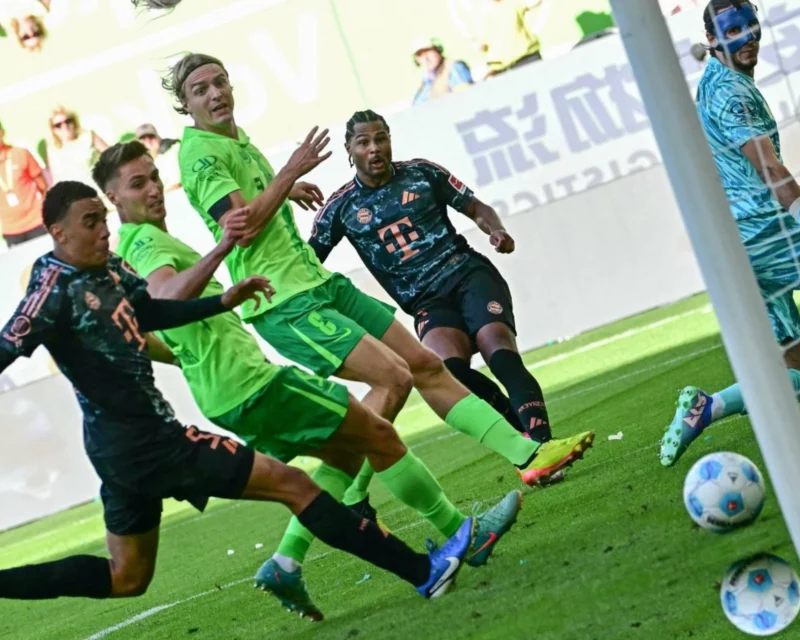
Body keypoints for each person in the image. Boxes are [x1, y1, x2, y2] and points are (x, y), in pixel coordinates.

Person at [0, 181, 478, 640]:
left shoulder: (111, 270)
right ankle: (422, 571)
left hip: (123, 453)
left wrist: (222, 299)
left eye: (102, 220)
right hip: (148, 445)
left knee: (127, 578)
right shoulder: (50, 291)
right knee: (295, 485)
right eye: (90, 223)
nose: (103, 232)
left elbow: (149, 313)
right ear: (57, 233)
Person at [96, 141, 522, 621]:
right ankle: (462, 535)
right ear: (113, 198)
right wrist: (223, 248)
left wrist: (191, 352)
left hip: (225, 392)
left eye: (153, 177)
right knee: (377, 429)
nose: (153, 189)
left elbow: (152, 327)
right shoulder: (147, 244)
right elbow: (169, 296)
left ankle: (286, 562)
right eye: (138, 183)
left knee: (329, 461)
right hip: (252, 384)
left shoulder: (138, 250)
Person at [165, 52, 590, 512]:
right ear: (185, 105)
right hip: (284, 302)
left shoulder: (237, 141)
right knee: (392, 380)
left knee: (424, 366)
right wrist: (289, 172)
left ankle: (530, 453)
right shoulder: (201, 155)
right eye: (201, 90)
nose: (216, 94)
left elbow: (247, 202)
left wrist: (285, 188)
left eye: (220, 83)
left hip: (319, 283)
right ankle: (326, 517)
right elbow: (240, 228)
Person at [660, 0, 800, 466]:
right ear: (713, 41)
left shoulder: (713, 86)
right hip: (766, 234)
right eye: (732, 30)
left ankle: (709, 406)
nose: (746, 37)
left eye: (750, 25)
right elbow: (765, 163)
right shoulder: (732, 94)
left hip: (735, 244)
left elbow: (738, 171)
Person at [311, 109, 577, 454]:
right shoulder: (340, 208)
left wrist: (496, 230)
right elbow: (308, 260)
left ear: (390, 140)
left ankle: (544, 443)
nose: (374, 148)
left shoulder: (422, 173)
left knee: (498, 348)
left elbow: (476, 207)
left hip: (467, 274)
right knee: (447, 372)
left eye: (381, 139)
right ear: (350, 149)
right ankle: (523, 439)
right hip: (427, 302)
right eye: (364, 142)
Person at [0, 115, 49, 247]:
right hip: (11, 229)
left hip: (36, 221)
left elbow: (42, 184)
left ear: (2, 131)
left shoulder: (21, 153)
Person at [43, 106, 108, 187]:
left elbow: (112, 155)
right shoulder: (53, 151)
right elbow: (56, 180)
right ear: (53, 130)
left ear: (74, 121)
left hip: (100, 190)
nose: (64, 126)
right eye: (58, 125)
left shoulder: (88, 137)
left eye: (68, 121)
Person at [477, 0, 543, 78]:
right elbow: (482, 44)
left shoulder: (513, 3)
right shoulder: (484, 12)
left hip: (526, 59)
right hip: (501, 69)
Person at [411, 37, 473, 106]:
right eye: (420, 55)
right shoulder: (425, 83)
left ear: (438, 50)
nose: (426, 58)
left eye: (428, 51)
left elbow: (466, 100)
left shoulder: (454, 68)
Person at [135, 123, 181, 191]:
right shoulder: (150, 160)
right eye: (144, 139)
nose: (148, 142)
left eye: (151, 137)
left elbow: (177, 183)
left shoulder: (174, 150)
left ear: (158, 136)